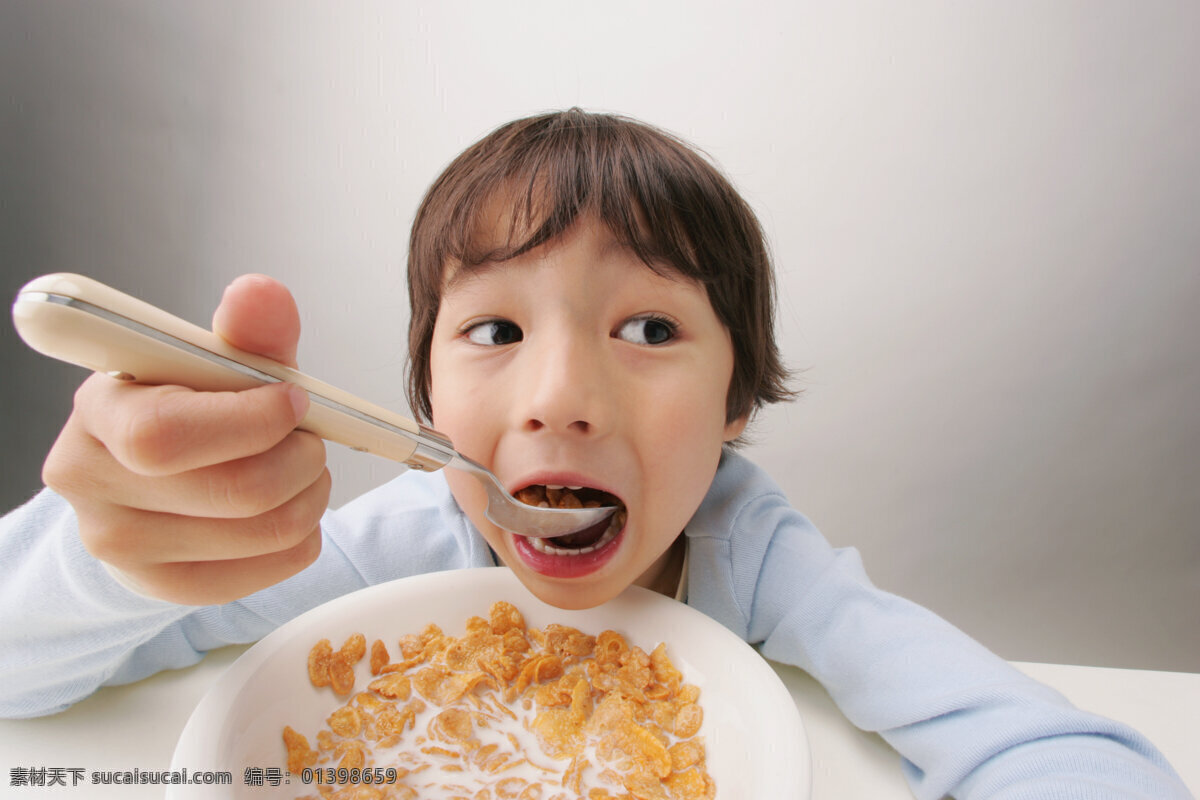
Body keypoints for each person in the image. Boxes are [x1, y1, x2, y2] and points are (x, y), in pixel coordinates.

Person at [0, 109, 1190, 799]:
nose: (560, 394)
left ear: (736, 398)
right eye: (495, 330)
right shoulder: (393, 553)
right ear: (424, 396)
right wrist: (119, 554)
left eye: (650, 328)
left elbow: (1045, 748)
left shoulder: (756, 556)